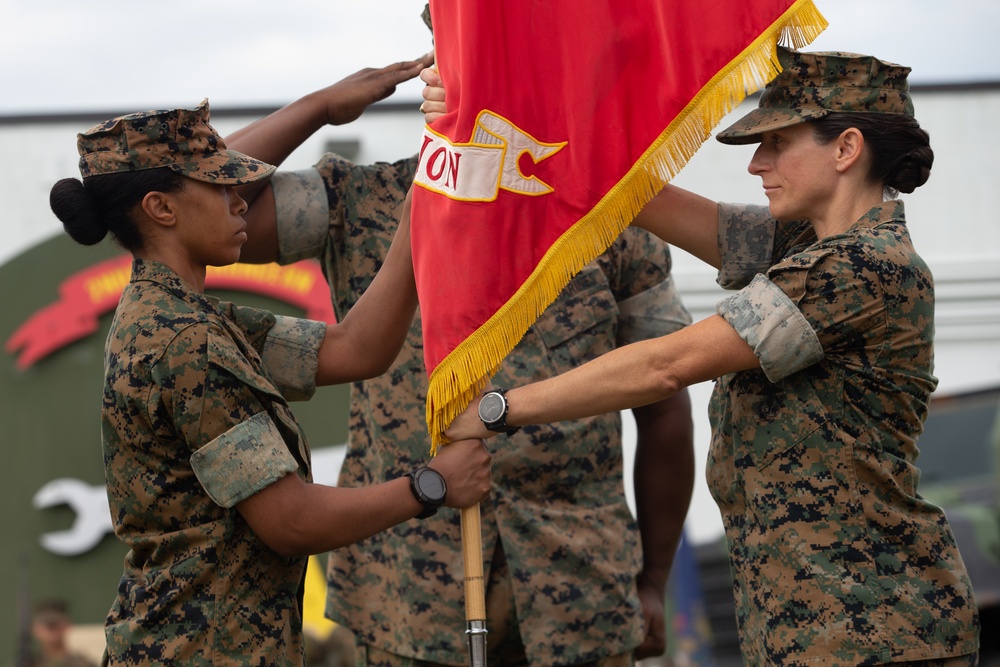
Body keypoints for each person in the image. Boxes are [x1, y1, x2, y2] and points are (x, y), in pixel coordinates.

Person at [437, 47, 982, 666]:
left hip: (872, 630)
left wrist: (497, 408)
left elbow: (663, 365)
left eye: (778, 143)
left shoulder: (861, 268)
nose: (757, 163)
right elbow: (631, 197)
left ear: (845, 148)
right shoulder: (805, 245)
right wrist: (493, 123)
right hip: (820, 628)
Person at [225, 62, 696, 667]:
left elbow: (665, 406)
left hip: (582, 589)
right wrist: (317, 107)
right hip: (408, 595)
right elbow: (199, 201)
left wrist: (653, 577)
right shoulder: (363, 199)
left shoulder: (614, 214)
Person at [47, 80, 492, 666]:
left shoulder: (186, 317)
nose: (241, 200)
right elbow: (293, 522)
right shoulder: (185, 341)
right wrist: (431, 485)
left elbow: (357, 350)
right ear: (160, 207)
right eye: (220, 184)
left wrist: (418, 220)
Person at [27, 600, 96, 667]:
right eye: (46, 625)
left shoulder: (83, 664)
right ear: (35, 629)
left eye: (56, 623)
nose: (51, 628)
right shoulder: (28, 664)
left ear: (67, 624)